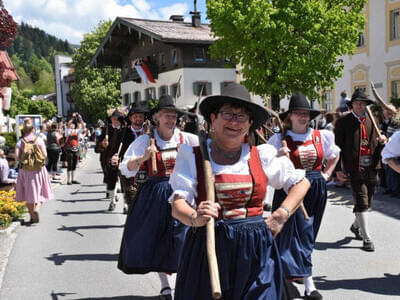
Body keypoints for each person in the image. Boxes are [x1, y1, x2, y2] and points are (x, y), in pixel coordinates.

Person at [169, 83, 310, 300]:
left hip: (256, 248)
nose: (235, 122)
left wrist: (281, 215)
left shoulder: (261, 155)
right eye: (228, 114)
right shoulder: (193, 155)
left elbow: (301, 183)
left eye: (242, 116)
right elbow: (177, 206)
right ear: (213, 118)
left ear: (250, 124)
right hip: (210, 247)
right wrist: (195, 217)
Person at [118, 95, 198, 299]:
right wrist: (143, 157)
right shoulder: (146, 140)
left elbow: (208, 151)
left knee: (184, 239)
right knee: (158, 240)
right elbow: (125, 168)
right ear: (157, 118)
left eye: (174, 116)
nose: (171, 120)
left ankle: (183, 281)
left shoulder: (186, 138)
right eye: (167, 116)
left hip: (181, 193)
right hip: (155, 194)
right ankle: (164, 283)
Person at [268, 92, 340, 300]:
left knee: (309, 235)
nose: (303, 117)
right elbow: (269, 169)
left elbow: (334, 155)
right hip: (290, 189)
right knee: (294, 236)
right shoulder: (278, 140)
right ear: (289, 116)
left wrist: (326, 175)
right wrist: (280, 159)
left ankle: (296, 276)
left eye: (306, 113)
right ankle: (309, 284)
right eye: (298, 113)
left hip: (316, 187)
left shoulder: (321, 136)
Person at [334, 89, 387, 252]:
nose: (360, 106)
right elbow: (336, 148)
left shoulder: (373, 120)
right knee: (362, 200)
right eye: (357, 103)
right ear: (351, 105)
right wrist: (336, 169)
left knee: (367, 202)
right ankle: (367, 238)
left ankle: (356, 227)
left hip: (372, 166)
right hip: (354, 168)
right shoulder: (343, 122)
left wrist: (383, 140)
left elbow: (377, 142)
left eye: (363, 103)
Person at [15, 118, 54, 223]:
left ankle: (32, 217)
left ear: (23, 130)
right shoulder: (39, 140)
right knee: (41, 191)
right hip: (39, 169)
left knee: (27, 193)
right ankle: (37, 208)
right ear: (33, 129)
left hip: (25, 170)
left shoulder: (20, 142)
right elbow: (45, 155)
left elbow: (17, 157)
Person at [117, 106, 148, 214]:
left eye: (140, 116)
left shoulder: (150, 134)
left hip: (146, 170)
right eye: (135, 117)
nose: (138, 119)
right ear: (130, 118)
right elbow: (115, 150)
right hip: (129, 171)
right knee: (132, 198)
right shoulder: (122, 133)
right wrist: (114, 158)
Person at [95, 109, 124, 211]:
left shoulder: (125, 130)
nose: (115, 121)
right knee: (111, 181)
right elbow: (96, 148)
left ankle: (125, 205)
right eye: (113, 119)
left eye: (117, 119)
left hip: (122, 159)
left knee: (124, 182)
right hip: (109, 160)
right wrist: (102, 144)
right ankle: (112, 201)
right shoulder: (106, 130)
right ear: (111, 120)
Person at [65, 119, 81, 185]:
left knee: (74, 164)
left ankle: (73, 179)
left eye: (73, 124)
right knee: (70, 164)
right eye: (71, 124)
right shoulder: (67, 130)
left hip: (75, 149)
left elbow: (82, 127)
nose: (72, 125)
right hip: (69, 149)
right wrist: (72, 118)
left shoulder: (77, 131)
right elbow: (68, 124)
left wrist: (80, 119)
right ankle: (68, 180)